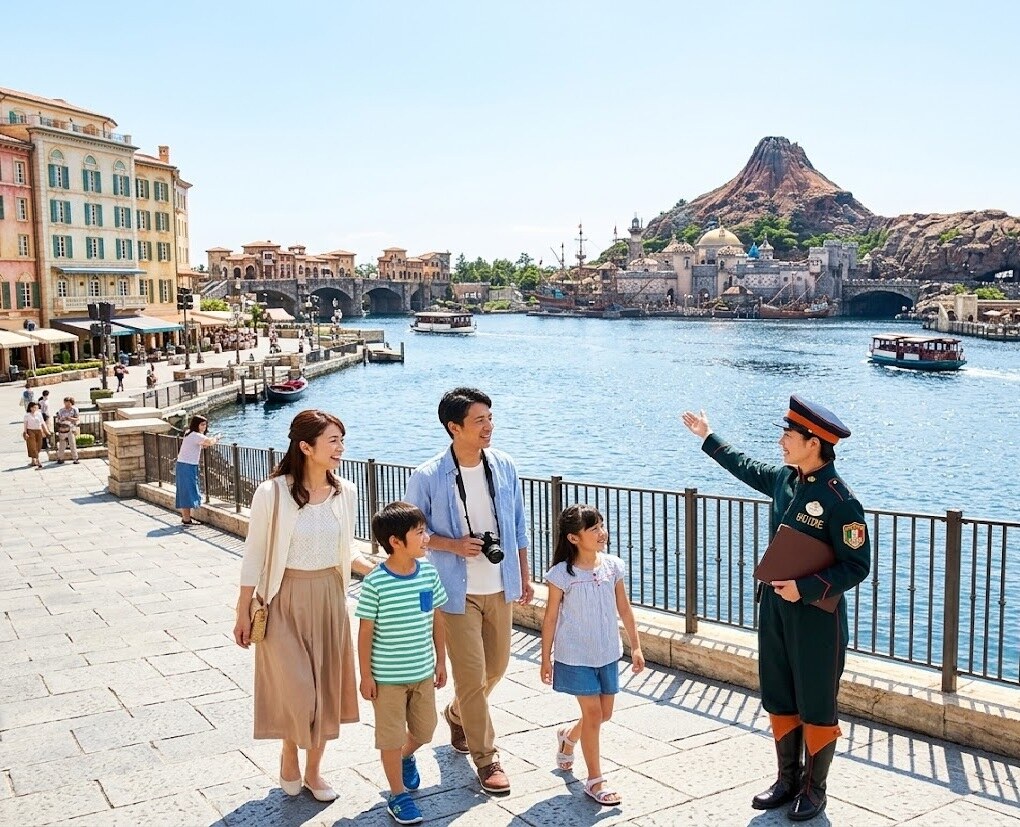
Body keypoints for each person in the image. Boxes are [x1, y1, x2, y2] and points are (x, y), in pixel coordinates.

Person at [681, 396, 870, 822]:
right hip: (774, 610)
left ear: (814, 442)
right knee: (779, 692)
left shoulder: (841, 500)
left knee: (817, 701)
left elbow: (857, 565)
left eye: (789, 435)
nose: (782, 441)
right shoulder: (785, 480)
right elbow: (744, 466)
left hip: (816, 617)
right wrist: (708, 437)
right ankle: (787, 779)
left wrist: (803, 588)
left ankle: (814, 790)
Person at [233, 409, 372, 802]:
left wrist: (381, 571)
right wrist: (242, 607)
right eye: (333, 441)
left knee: (325, 692)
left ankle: (313, 771)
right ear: (306, 447)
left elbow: (346, 551)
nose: (340, 449)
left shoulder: (346, 491)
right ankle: (289, 752)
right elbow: (255, 553)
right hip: (283, 598)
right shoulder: (272, 493)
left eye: (342, 441)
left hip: (330, 597)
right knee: (299, 691)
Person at [404, 387, 532, 795]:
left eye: (490, 418)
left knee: (497, 667)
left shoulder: (505, 466)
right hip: (454, 591)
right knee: (473, 677)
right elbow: (413, 532)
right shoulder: (427, 476)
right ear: (453, 427)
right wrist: (454, 545)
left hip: (500, 585)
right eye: (480, 420)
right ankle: (486, 757)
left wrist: (524, 577)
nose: (489, 426)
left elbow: (517, 528)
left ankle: (458, 714)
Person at [540, 504, 645, 807]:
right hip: (575, 656)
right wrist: (546, 658)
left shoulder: (612, 566)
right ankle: (595, 780)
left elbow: (624, 608)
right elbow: (549, 618)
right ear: (574, 538)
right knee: (594, 715)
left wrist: (636, 645)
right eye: (594, 528)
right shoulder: (562, 574)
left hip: (607, 652)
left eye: (601, 525)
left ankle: (568, 736)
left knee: (603, 714)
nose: (602, 533)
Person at [357, 502, 448, 825]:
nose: (426, 539)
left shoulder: (428, 572)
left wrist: (441, 661)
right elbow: (365, 633)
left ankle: (406, 756)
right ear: (396, 542)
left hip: (423, 672)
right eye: (420, 533)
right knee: (391, 738)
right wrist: (366, 676)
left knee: (426, 730)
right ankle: (398, 796)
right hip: (387, 679)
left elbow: (437, 618)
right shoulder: (376, 582)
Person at [175, 415, 219, 525]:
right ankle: (186, 519)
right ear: (197, 424)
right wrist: (217, 438)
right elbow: (209, 442)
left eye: (205, 425)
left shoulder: (189, 433)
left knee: (187, 491)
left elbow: (203, 444)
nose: (204, 427)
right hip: (187, 466)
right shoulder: (195, 435)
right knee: (188, 491)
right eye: (202, 424)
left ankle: (186, 518)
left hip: (185, 465)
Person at [53, 396, 80, 465]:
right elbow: (58, 419)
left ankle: (75, 458)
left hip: (70, 428)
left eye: (68, 403)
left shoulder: (74, 410)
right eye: (65, 403)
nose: (66, 404)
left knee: (72, 443)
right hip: (62, 428)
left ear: (71, 403)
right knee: (62, 444)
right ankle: (60, 458)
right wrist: (61, 420)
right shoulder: (61, 410)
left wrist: (69, 418)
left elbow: (77, 418)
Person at [22, 401, 49, 469]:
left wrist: (46, 431)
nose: (35, 408)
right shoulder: (27, 415)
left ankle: (33, 461)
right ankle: (38, 461)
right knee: (32, 445)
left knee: (38, 446)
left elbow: (42, 423)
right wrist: (25, 433)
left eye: (36, 407)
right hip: (30, 431)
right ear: (30, 408)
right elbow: (25, 425)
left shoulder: (39, 414)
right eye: (33, 407)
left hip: (39, 431)